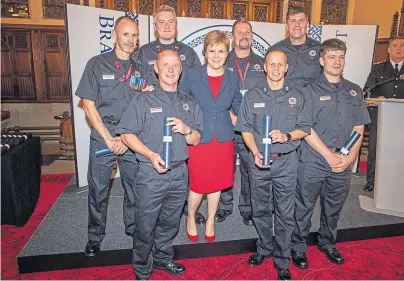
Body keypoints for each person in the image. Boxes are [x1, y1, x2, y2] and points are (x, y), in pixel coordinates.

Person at [117, 50, 203, 280]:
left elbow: (196, 139)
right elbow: (126, 134)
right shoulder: (143, 99)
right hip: (150, 173)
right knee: (145, 224)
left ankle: (163, 258)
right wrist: (149, 154)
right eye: (166, 65)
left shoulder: (189, 103)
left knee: (169, 222)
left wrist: (187, 130)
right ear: (156, 68)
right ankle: (142, 268)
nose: (171, 70)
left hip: (179, 173)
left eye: (175, 65)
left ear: (181, 69)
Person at [291, 39, 371, 269]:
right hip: (314, 160)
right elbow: (305, 128)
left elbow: (359, 126)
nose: (337, 61)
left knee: (334, 206)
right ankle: (298, 247)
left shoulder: (354, 90)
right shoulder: (308, 91)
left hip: (343, 161)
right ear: (321, 60)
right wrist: (328, 155)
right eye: (332, 56)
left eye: (340, 57)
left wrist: (350, 158)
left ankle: (327, 242)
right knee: (304, 206)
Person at [75, 16, 148, 257]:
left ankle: (132, 228)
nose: (131, 40)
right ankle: (95, 236)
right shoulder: (96, 64)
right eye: (126, 35)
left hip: (131, 138)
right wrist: (108, 138)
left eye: (135, 35)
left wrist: (127, 137)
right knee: (98, 189)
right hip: (103, 136)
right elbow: (87, 104)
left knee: (134, 187)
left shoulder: (141, 69)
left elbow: (147, 103)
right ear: (114, 35)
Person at [236, 50, 311, 280]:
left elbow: (305, 128)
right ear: (265, 67)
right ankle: (264, 247)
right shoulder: (252, 95)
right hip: (259, 162)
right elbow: (245, 128)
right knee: (259, 209)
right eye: (272, 64)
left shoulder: (298, 96)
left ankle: (282, 259)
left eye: (280, 64)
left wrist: (287, 135)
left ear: (286, 67)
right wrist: (255, 152)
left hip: (286, 163)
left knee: (285, 213)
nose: (276, 68)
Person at [135, 4, 205, 224]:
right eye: (162, 22)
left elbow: (199, 85)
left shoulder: (189, 53)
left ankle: (184, 205)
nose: (166, 26)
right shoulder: (143, 52)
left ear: (176, 25)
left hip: (184, 114)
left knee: (181, 165)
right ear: (155, 26)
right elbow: (135, 82)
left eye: (171, 22)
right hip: (154, 116)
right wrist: (140, 88)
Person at [181, 30, 242, 243]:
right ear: (205, 52)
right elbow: (182, 102)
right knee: (198, 184)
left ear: (228, 53)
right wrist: (187, 127)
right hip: (200, 137)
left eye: (221, 51)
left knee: (216, 184)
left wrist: (239, 116)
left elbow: (237, 105)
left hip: (223, 139)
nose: (217, 56)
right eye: (212, 51)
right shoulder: (192, 75)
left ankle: (211, 220)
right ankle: (190, 217)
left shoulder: (233, 77)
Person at [215, 19, 266, 226]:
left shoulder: (263, 64)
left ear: (251, 36)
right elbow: (213, 94)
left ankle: (247, 208)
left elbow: (267, 95)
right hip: (226, 125)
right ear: (232, 37)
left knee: (249, 169)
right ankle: (224, 206)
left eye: (247, 32)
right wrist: (231, 116)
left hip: (252, 128)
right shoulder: (221, 61)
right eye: (239, 32)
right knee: (224, 168)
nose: (244, 36)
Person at [363, 36, 404, 192]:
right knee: (374, 149)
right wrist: (377, 98)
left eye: (402, 45)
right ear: (388, 50)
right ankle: (371, 181)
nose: (398, 48)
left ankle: (397, 182)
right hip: (379, 117)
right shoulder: (378, 69)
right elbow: (367, 91)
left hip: (400, 120)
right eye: (395, 45)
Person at [267, 6, 321, 87]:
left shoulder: (320, 49)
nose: (297, 25)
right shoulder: (275, 50)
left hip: (311, 98)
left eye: (301, 20)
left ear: (308, 24)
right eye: (293, 21)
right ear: (286, 26)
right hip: (283, 98)